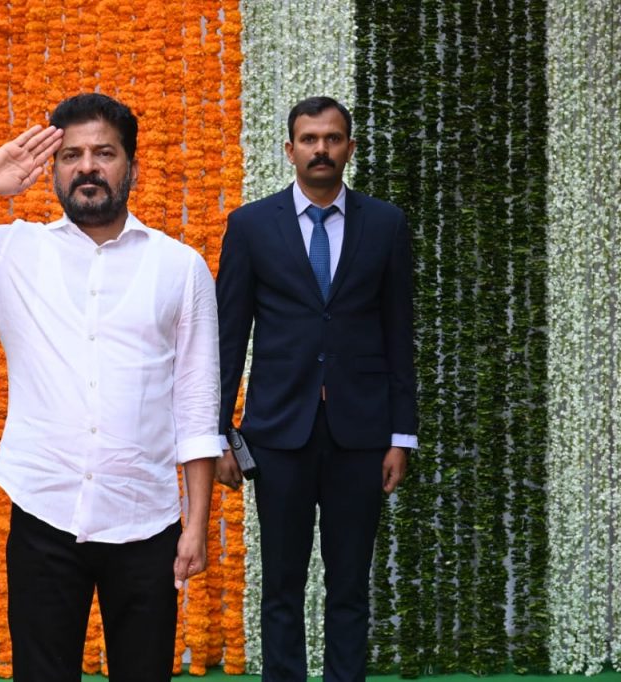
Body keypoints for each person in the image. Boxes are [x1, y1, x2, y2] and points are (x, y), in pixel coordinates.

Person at [0, 93, 220, 682]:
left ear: (131, 167)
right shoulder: (13, 251)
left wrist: (196, 524)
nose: (87, 167)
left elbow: (196, 401)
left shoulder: (179, 266)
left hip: (146, 519)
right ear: (53, 170)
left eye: (104, 153)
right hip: (44, 511)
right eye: (72, 155)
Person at [215, 96, 418, 681]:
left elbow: (398, 333)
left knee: (350, 584)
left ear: (349, 149)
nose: (321, 149)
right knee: (281, 583)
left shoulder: (385, 224)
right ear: (289, 150)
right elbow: (230, 338)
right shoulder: (251, 226)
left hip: (362, 434)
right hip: (279, 433)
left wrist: (400, 435)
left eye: (332, 139)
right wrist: (218, 433)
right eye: (309, 139)